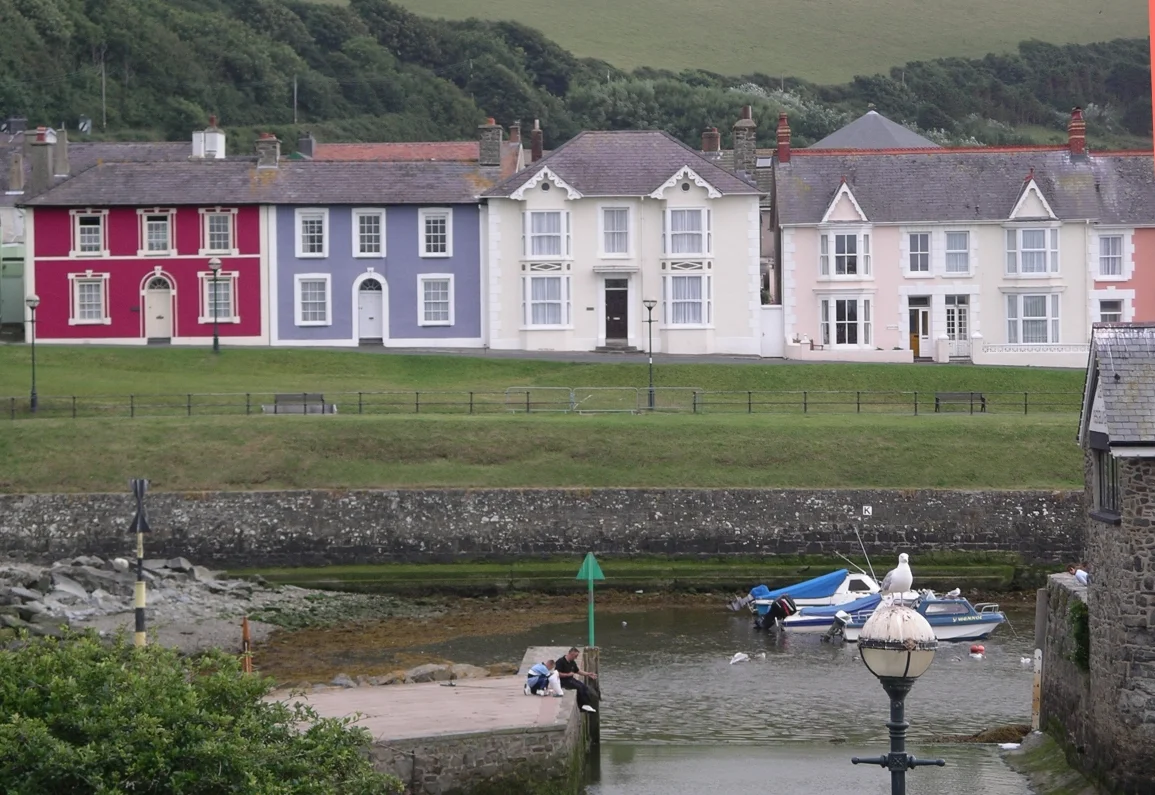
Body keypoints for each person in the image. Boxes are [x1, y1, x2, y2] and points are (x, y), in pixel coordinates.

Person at [555, 647, 598, 713]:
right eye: (575, 656)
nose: (576, 658)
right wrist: (567, 674)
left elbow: (577, 671)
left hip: (570, 679)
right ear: (571, 654)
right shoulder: (560, 661)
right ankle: (582, 706)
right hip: (563, 681)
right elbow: (556, 673)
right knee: (579, 687)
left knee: (584, 686)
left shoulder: (572, 662)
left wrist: (588, 674)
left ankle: (586, 705)